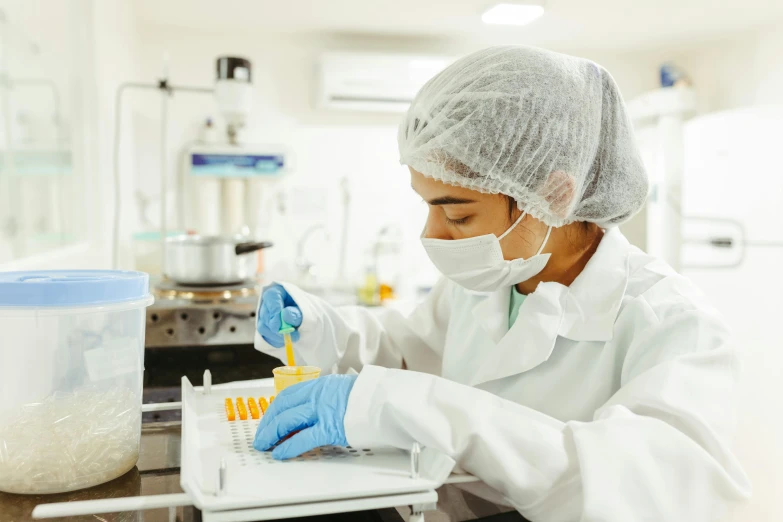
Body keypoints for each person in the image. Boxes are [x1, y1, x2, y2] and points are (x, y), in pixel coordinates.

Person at [252, 46, 751, 521]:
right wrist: (317, 325)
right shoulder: (490, 282)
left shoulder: (674, 324)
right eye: (428, 207)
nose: (432, 234)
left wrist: (421, 408)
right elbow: (408, 353)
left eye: (459, 215)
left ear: (553, 195)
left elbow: (646, 492)